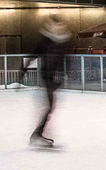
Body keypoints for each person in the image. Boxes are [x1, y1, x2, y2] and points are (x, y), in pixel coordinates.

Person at [21, 14, 73, 149]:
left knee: (50, 107)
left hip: (52, 76)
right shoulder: (48, 41)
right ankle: (37, 134)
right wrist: (24, 69)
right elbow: (35, 53)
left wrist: (64, 74)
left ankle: (38, 134)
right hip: (47, 76)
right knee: (49, 106)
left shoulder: (58, 41)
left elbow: (65, 58)